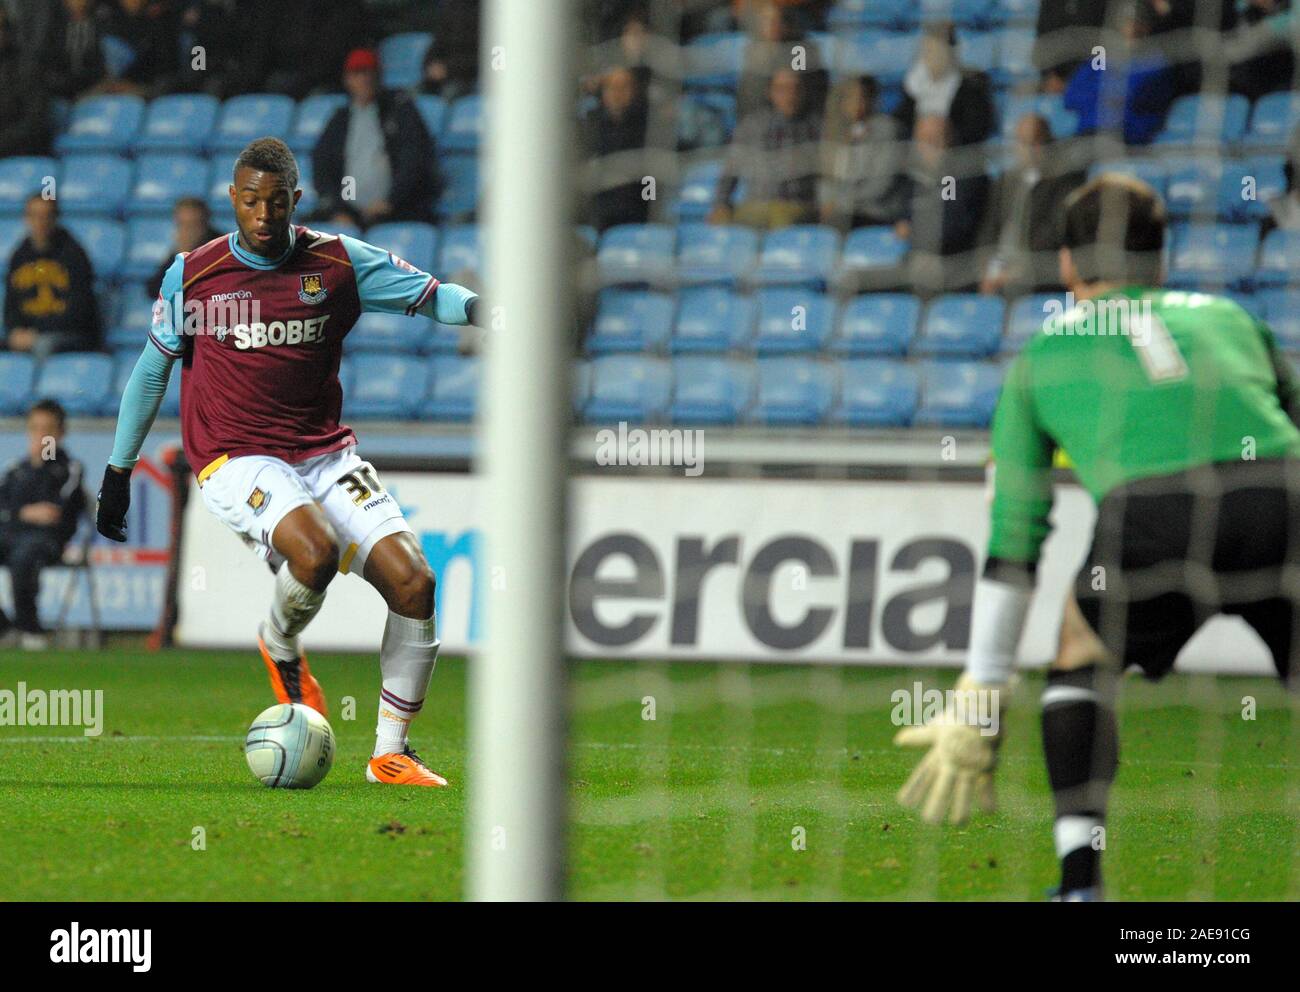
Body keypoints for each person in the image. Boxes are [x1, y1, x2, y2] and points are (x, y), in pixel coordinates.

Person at [894, 174, 1300, 901]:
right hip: (1285, 498)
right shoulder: (1230, 318)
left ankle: (1081, 884)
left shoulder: (1040, 360)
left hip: (1156, 516)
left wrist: (984, 690)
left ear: (1067, 265)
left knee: (1080, 657)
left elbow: (1015, 538)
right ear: (1163, 258)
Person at [95, 137, 483, 787]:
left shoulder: (337, 263)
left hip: (323, 453)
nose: (264, 215)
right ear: (234, 200)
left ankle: (391, 753)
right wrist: (116, 470)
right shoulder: (194, 273)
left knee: (415, 583)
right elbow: (151, 370)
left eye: (276, 202)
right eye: (251, 202)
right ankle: (280, 643)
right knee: (315, 553)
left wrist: (486, 312)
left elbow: (433, 296)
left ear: (295, 201)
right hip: (234, 454)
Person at [312, 48, 437, 228]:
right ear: (347, 79)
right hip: (349, 212)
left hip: (396, 211)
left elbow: (413, 159)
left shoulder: (400, 109)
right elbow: (322, 165)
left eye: (369, 73)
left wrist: (390, 201)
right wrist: (338, 209)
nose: (364, 80)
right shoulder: (341, 119)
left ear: (379, 76)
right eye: (357, 74)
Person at [0, 399, 87, 650]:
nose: (41, 435)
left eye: (48, 429)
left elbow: (55, 512)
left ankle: (30, 630)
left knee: (24, 555)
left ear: (61, 433)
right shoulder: (16, 470)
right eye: (35, 428)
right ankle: (4, 626)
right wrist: (25, 512)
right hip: (11, 536)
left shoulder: (69, 468)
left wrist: (15, 513)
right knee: (18, 549)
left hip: (48, 540)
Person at [979, 114, 1087, 297]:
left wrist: (1018, 271)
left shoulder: (1066, 181)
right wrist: (984, 268)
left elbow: (1054, 234)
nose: (1018, 149)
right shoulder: (1005, 182)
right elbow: (988, 227)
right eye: (1017, 142)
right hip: (999, 269)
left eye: (1026, 143)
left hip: (1039, 272)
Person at [709, 67, 821, 229]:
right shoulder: (752, 125)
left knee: (782, 220)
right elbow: (730, 169)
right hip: (756, 205)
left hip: (796, 206)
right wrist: (721, 204)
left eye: (795, 88)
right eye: (782, 89)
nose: (790, 95)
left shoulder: (816, 127)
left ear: (804, 91)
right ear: (770, 92)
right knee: (721, 229)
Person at [4, 194, 103, 358]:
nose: (39, 222)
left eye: (45, 216)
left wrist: (36, 332)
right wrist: (16, 330)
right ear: (26, 218)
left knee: (43, 346)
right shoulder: (19, 256)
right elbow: (11, 304)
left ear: (55, 218)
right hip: (29, 334)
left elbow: (80, 310)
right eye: (34, 216)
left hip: (72, 335)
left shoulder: (74, 255)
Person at [901, 115, 990, 296]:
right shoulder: (918, 177)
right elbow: (905, 215)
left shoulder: (954, 177)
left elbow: (950, 222)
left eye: (933, 140)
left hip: (954, 265)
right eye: (922, 140)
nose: (926, 147)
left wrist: (914, 229)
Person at [1063, 5, 1175, 145]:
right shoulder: (1102, 57)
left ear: (1148, 27)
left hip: (1127, 136)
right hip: (1089, 132)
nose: (1132, 29)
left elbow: (1131, 96)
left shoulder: (1155, 62)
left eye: (1139, 23)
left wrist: (1100, 96)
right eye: (1127, 22)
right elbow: (1072, 96)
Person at [818, 75, 908, 231]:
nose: (857, 103)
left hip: (876, 213)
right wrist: (826, 201)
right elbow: (824, 179)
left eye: (862, 97)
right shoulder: (835, 132)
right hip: (842, 211)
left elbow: (881, 185)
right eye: (850, 98)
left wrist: (840, 202)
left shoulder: (888, 129)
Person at [893, 21, 995, 149]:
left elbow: (977, 129)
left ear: (950, 52)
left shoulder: (972, 88)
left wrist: (944, 134)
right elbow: (901, 123)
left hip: (956, 156)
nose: (929, 57)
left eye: (935, 50)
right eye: (927, 50)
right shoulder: (913, 85)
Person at [580, 66, 651, 231]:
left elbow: (651, 179)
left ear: (634, 91)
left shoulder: (647, 128)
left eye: (624, 87)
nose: (617, 93)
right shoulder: (589, 127)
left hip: (635, 215)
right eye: (611, 87)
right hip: (595, 214)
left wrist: (648, 209)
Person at [146, 197, 223, 299]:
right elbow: (154, 289)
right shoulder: (182, 249)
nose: (187, 232)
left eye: (193, 225)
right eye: (181, 224)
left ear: (206, 223)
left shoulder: (223, 249)